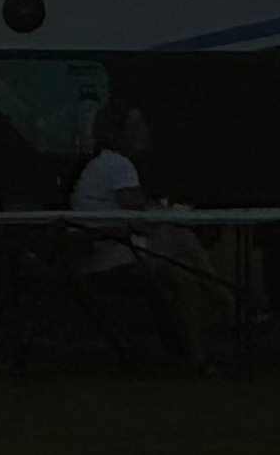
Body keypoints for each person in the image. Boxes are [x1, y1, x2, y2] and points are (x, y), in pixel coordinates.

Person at [67, 101, 196, 364]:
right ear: (120, 132)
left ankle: (190, 348)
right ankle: (221, 315)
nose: (145, 131)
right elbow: (140, 221)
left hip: (99, 253)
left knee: (184, 274)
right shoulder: (118, 166)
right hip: (109, 258)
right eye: (136, 126)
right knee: (185, 250)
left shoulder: (102, 164)